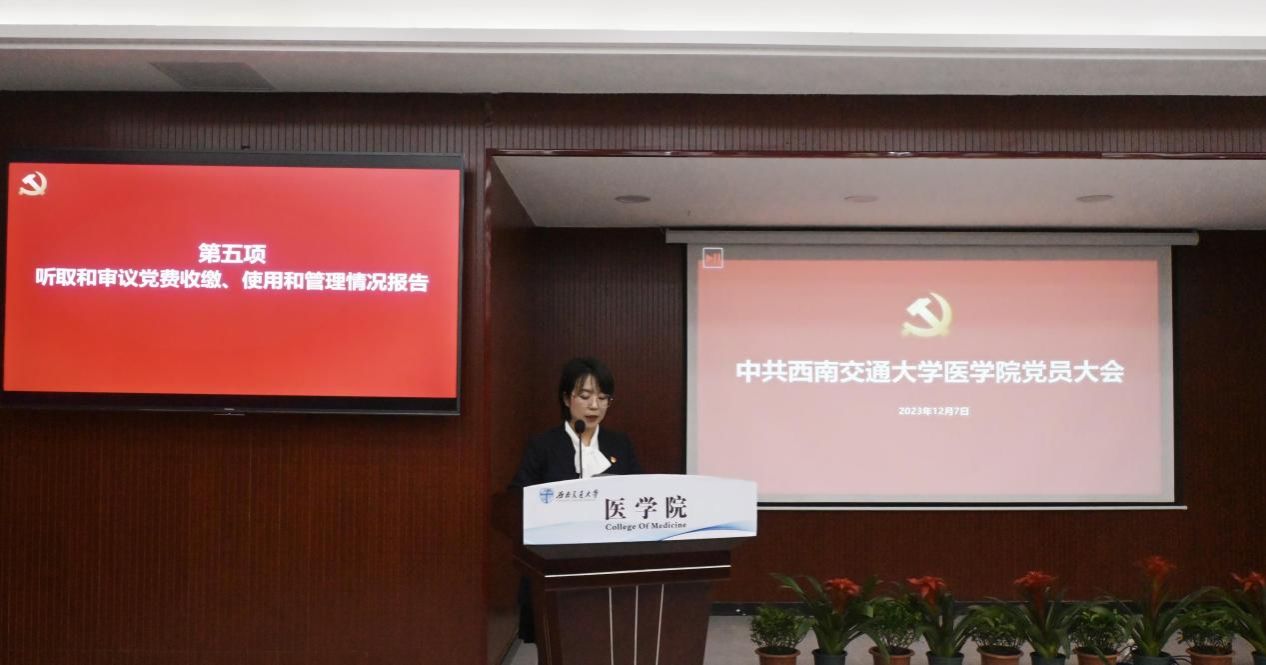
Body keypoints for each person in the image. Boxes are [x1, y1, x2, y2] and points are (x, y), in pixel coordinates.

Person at [509, 356, 644, 643]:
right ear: (566, 398)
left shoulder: (620, 444)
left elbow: (640, 497)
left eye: (603, 398)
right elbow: (516, 498)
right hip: (555, 567)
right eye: (585, 396)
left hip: (610, 565)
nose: (595, 405)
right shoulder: (543, 446)